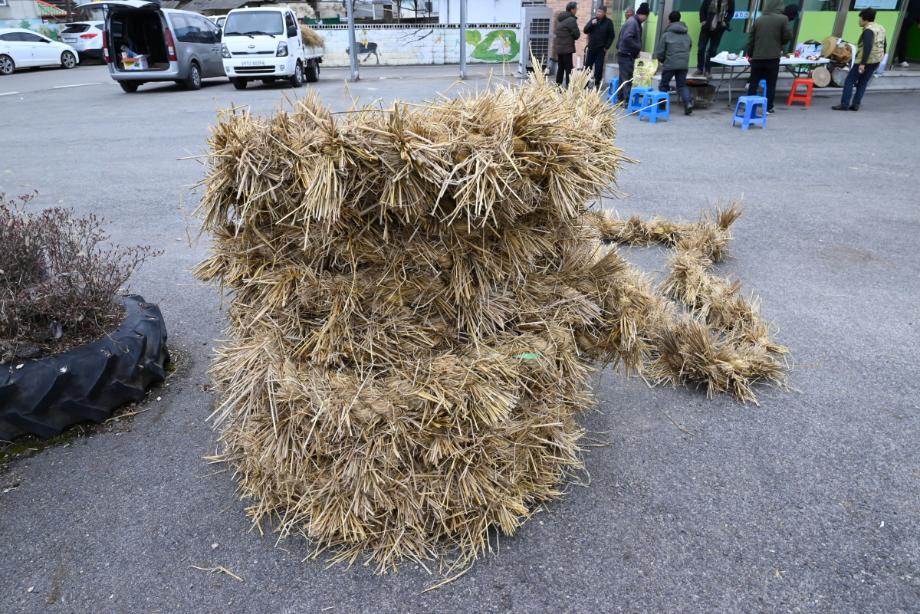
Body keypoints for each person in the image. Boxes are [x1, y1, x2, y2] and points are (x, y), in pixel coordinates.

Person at [833, 9, 887, 111]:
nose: (859, 21)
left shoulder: (868, 30)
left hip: (865, 60)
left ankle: (844, 104)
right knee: (863, 82)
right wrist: (881, 58)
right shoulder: (880, 28)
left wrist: (862, 64)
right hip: (876, 60)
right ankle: (856, 104)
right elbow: (884, 44)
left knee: (849, 80)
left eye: (860, 18)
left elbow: (868, 47)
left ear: (864, 19)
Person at [745, 0, 792, 113]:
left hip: (757, 57)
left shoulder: (758, 20)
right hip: (773, 57)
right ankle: (768, 107)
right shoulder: (783, 19)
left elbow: (751, 40)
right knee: (771, 83)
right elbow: (787, 36)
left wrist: (750, 54)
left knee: (754, 82)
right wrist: (780, 43)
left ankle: (750, 105)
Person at [655, 11, 694, 115]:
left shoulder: (666, 35)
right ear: (679, 19)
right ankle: (688, 103)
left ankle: (662, 105)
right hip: (683, 64)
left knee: (664, 84)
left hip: (670, 64)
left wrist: (662, 60)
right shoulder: (687, 35)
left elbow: (660, 51)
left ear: (669, 20)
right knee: (681, 85)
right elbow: (689, 47)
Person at [617, 2, 649, 103]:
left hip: (626, 54)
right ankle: (626, 101)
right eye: (646, 16)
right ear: (643, 15)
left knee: (623, 78)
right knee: (627, 78)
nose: (646, 19)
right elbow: (627, 38)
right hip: (626, 54)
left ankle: (621, 99)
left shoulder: (635, 22)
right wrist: (637, 47)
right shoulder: (633, 23)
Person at [695, 0, 734, 77]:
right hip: (707, 27)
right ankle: (700, 68)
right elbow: (702, 10)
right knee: (701, 48)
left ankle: (707, 70)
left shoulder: (730, 1)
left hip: (719, 28)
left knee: (712, 50)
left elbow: (731, 12)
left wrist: (725, 21)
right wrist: (703, 21)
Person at [584, 5, 616, 90]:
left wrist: (606, 47)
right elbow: (585, 30)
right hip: (591, 48)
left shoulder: (608, 22)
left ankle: (597, 83)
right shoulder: (593, 20)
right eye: (597, 11)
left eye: (600, 12)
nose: (598, 13)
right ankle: (585, 83)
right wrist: (591, 24)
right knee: (587, 67)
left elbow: (611, 36)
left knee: (598, 68)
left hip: (601, 49)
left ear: (604, 13)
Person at [554, 2, 581, 87]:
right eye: (576, 9)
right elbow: (577, 35)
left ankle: (557, 86)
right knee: (569, 69)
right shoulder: (571, 20)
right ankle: (569, 87)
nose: (576, 10)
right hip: (566, 49)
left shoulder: (560, 18)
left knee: (561, 68)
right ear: (572, 9)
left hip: (559, 48)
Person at [895, 0, 920, 67]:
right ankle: (901, 58)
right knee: (902, 37)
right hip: (906, 16)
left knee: (902, 37)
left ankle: (900, 58)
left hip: (906, 17)